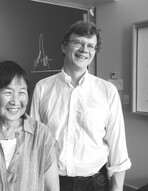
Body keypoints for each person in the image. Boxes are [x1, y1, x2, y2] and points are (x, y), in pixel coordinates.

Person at [30, 21, 131, 191]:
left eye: (91, 46)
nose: (85, 49)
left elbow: (117, 145)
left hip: (95, 183)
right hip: (53, 182)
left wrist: (117, 188)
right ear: (64, 47)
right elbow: (33, 140)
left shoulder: (107, 91)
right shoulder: (43, 87)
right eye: (78, 42)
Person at [0, 60, 59, 191]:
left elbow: (52, 188)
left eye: (22, 92)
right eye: (8, 92)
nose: (15, 101)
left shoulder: (41, 134)